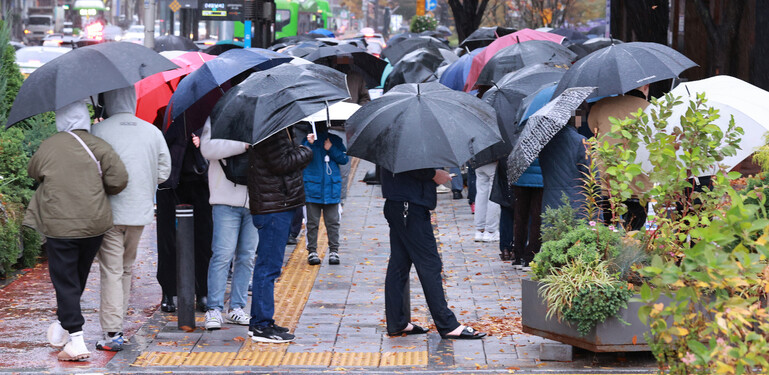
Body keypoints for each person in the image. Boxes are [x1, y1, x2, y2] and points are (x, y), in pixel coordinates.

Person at [26, 101, 128, 361]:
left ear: (61, 119)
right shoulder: (99, 145)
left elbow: (34, 172)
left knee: (65, 280)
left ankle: (76, 340)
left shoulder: (50, 145)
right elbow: (118, 180)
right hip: (94, 224)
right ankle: (64, 325)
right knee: (76, 277)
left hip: (59, 223)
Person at [90, 87, 171, 352]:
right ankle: (118, 324)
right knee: (125, 267)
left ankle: (113, 331)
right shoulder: (151, 131)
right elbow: (164, 171)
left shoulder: (97, 131)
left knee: (112, 270)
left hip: (109, 212)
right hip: (140, 212)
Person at [381, 167, 486, 340]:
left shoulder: (389, 142)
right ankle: (447, 324)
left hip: (398, 203)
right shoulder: (409, 141)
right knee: (429, 264)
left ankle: (397, 322)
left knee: (399, 265)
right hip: (410, 206)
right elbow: (414, 165)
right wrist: (434, 174)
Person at [247, 128, 313, 343]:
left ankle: (262, 320)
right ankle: (261, 325)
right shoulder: (270, 130)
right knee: (268, 267)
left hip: (277, 203)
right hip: (273, 206)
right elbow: (281, 164)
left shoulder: (278, 128)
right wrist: (305, 150)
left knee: (269, 266)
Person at [195, 118, 258, 330]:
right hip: (224, 199)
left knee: (247, 256)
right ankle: (214, 309)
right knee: (222, 254)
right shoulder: (220, 117)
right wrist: (243, 145)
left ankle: (237, 308)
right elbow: (208, 149)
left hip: (256, 199)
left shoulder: (263, 119)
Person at [156, 116, 214, 313]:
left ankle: (202, 291)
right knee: (167, 241)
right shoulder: (162, 114)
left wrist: (200, 139)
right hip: (168, 183)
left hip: (200, 181)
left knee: (203, 239)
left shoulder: (206, 114)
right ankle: (168, 291)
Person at [588, 85, 650, 230]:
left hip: (607, 178)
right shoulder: (651, 109)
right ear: (645, 87)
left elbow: (593, 129)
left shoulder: (602, 105)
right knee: (634, 231)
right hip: (638, 181)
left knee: (606, 230)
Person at [302, 127, 349, 265]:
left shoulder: (335, 140)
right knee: (312, 222)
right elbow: (301, 159)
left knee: (333, 222)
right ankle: (312, 251)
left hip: (331, 189)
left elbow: (344, 159)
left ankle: (334, 250)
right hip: (312, 188)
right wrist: (308, 144)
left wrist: (331, 148)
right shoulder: (307, 140)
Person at [539, 117, 590, 216]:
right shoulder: (581, 141)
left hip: (550, 204)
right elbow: (592, 177)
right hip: (576, 203)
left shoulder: (543, 142)